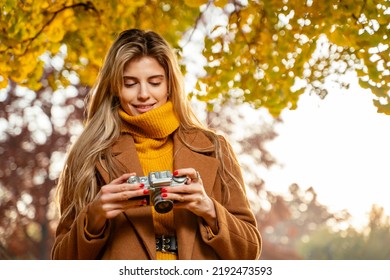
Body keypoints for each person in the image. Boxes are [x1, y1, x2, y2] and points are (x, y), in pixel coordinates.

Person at [51, 28, 262, 260]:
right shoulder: (89, 154)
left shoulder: (214, 147)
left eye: (154, 82)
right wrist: (93, 218)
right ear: (114, 88)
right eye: (130, 84)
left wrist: (209, 209)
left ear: (170, 84)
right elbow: (61, 261)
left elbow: (249, 251)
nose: (144, 94)